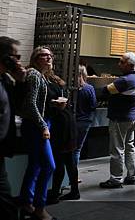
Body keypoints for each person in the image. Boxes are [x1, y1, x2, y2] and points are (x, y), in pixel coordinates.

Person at [19, 47, 56, 220]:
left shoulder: (40, 75)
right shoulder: (34, 74)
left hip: (36, 124)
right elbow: (30, 104)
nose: (48, 58)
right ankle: (39, 208)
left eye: (50, 55)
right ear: (36, 58)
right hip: (36, 126)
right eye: (44, 55)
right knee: (49, 165)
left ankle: (27, 203)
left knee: (35, 165)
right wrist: (43, 126)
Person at [99, 52, 135, 189]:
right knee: (129, 147)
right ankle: (132, 176)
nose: (119, 64)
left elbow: (104, 91)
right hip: (132, 118)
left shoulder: (124, 80)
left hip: (120, 119)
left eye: (121, 62)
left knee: (117, 149)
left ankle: (116, 179)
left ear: (129, 65)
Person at [0, 37, 26, 220]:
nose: (18, 61)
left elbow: (17, 106)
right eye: (15, 56)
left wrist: (21, 82)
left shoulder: (6, 80)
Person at [46, 71, 78, 203]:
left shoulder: (48, 85)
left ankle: (54, 193)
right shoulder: (59, 83)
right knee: (70, 161)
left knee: (59, 160)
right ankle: (74, 191)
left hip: (60, 125)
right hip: (69, 122)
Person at [73, 65, 96, 165]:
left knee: (68, 148)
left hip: (72, 121)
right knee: (77, 149)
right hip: (85, 121)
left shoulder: (70, 87)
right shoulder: (89, 88)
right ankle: (74, 175)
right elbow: (93, 105)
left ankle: (67, 175)